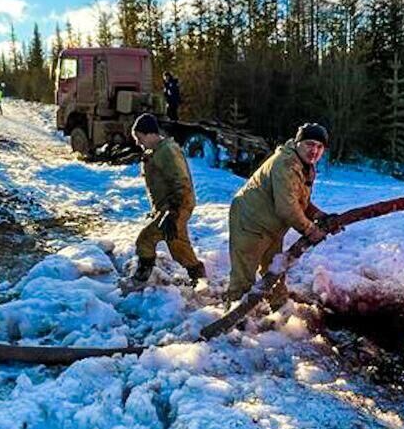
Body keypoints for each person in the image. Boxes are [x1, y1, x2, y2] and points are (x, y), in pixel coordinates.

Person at [225, 123, 330, 304]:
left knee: (275, 268)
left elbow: (297, 200)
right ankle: (234, 322)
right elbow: (287, 207)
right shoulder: (286, 164)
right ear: (298, 143)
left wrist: (319, 215)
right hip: (249, 220)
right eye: (310, 144)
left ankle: (280, 309)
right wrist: (310, 230)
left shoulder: (304, 165)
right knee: (243, 276)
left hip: (272, 224)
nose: (314, 150)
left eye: (319, 146)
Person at [131, 113, 206, 285]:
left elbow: (181, 181)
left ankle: (140, 280)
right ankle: (199, 277)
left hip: (176, 206)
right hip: (170, 208)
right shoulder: (156, 151)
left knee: (145, 240)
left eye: (139, 137)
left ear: (150, 134)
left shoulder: (167, 151)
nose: (138, 142)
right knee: (178, 245)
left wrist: (172, 213)